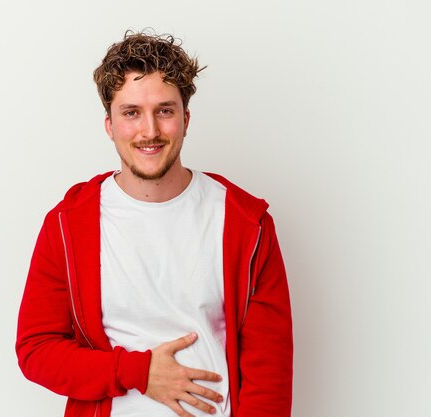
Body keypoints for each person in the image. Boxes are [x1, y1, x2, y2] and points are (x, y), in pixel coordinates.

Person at [16, 31, 293, 417]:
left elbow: (270, 374)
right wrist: (139, 371)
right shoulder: (67, 225)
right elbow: (37, 349)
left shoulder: (245, 223)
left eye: (165, 110)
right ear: (110, 124)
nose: (149, 131)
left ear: (186, 118)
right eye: (131, 113)